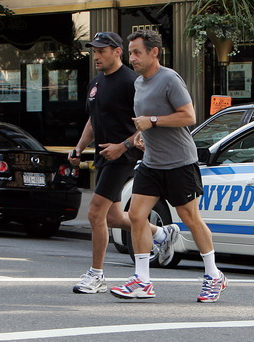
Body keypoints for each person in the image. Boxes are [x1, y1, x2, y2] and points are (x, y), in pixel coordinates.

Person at [110, 30, 227, 303]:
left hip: (179, 162)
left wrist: (152, 121)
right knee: (137, 215)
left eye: (137, 52)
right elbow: (145, 123)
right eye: (130, 53)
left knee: (190, 218)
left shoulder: (169, 79)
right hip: (152, 162)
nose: (132, 58)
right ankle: (142, 281)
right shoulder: (138, 83)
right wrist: (141, 135)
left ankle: (213, 275)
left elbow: (189, 115)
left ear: (154, 52)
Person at [69, 32, 179, 294]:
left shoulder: (132, 82)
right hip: (104, 156)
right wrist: (79, 148)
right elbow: (93, 121)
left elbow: (146, 123)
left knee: (95, 212)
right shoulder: (96, 84)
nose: (96, 56)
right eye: (94, 51)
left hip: (125, 157)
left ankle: (96, 275)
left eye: (101, 51)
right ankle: (162, 234)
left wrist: (123, 146)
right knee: (114, 217)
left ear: (117, 51)